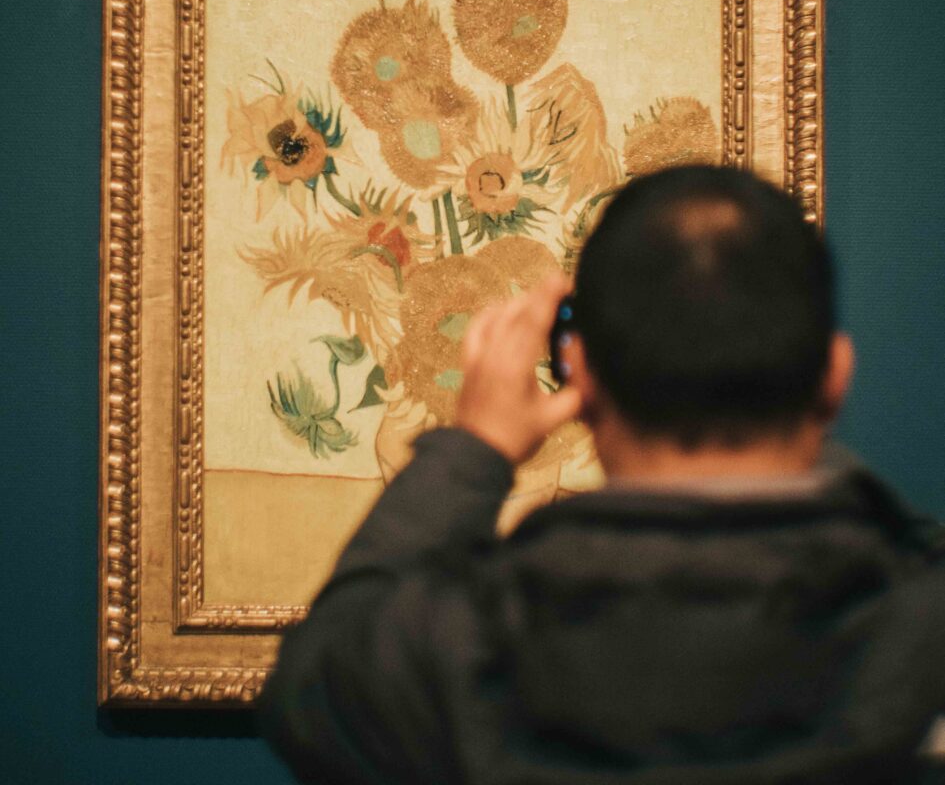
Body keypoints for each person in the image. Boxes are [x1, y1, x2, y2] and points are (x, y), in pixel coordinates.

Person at [259, 165, 945, 784]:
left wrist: (473, 448)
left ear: (578, 376)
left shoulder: (462, 643)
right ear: (835, 376)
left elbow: (316, 683)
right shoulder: (918, 611)